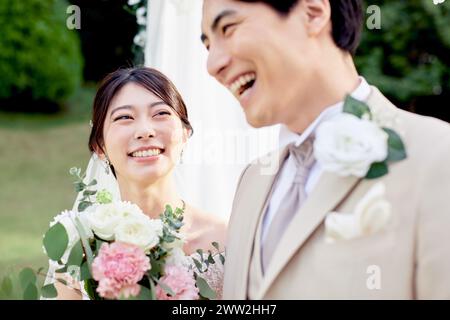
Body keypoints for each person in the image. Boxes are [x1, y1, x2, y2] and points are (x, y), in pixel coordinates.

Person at [201, 0, 450, 299]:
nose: (212, 65)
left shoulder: (436, 157)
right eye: (207, 45)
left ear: (313, 12)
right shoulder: (251, 181)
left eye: (228, 28)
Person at [51, 67, 226, 299]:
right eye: (124, 117)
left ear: (184, 134)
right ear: (99, 146)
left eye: (160, 113)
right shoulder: (79, 249)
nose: (145, 131)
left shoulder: (225, 241)